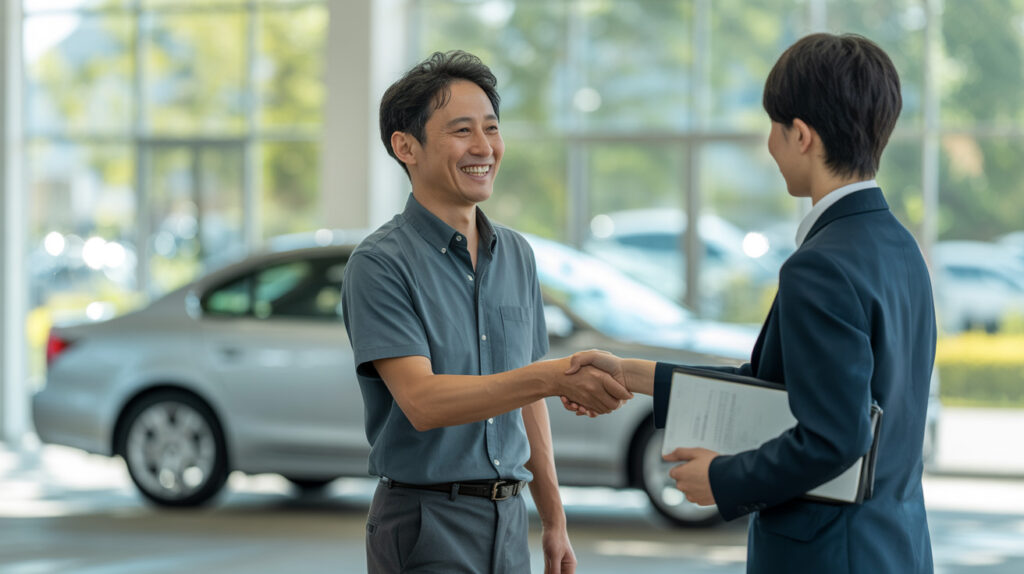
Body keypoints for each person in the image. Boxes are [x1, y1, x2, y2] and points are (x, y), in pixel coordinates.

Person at [565, 33, 936, 573]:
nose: (769, 145)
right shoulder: (901, 248)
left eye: (774, 127)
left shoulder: (820, 265)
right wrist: (630, 373)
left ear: (802, 135)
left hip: (829, 557)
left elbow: (835, 436)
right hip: (895, 547)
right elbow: (786, 391)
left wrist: (721, 479)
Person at [341, 50, 631, 574]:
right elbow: (423, 401)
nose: (484, 147)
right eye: (461, 131)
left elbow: (529, 400)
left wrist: (554, 518)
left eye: (492, 128)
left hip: (508, 518)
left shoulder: (516, 254)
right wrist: (552, 378)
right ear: (405, 146)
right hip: (425, 522)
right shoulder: (380, 264)